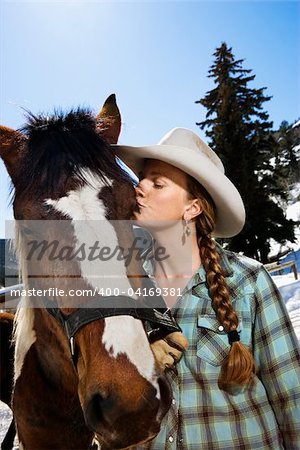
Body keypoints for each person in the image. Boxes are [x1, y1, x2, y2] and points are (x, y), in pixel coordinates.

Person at [114, 128, 300, 450]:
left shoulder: (247, 282)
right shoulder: (125, 289)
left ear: (192, 208)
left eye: (157, 183)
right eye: (141, 177)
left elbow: (292, 400)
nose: (139, 187)